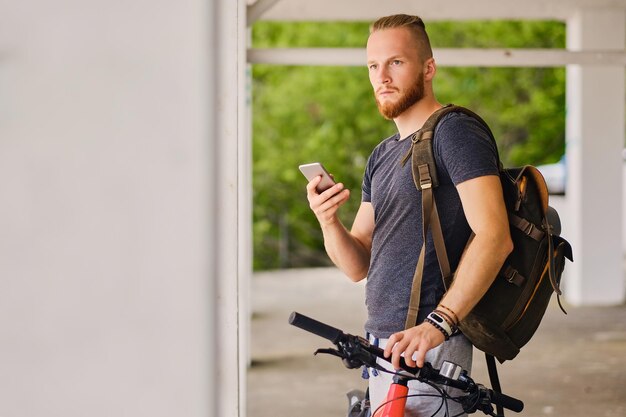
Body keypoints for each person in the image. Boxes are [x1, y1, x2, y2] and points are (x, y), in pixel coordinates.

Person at [305, 14, 513, 417]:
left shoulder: (455, 131)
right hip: (382, 347)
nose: (381, 76)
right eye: (372, 65)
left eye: (396, 62)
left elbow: (495, 236)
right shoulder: (382, 155)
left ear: (428, 68)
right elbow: (357, 264)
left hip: (429, 346)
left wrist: (439, 324)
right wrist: (328, 220)